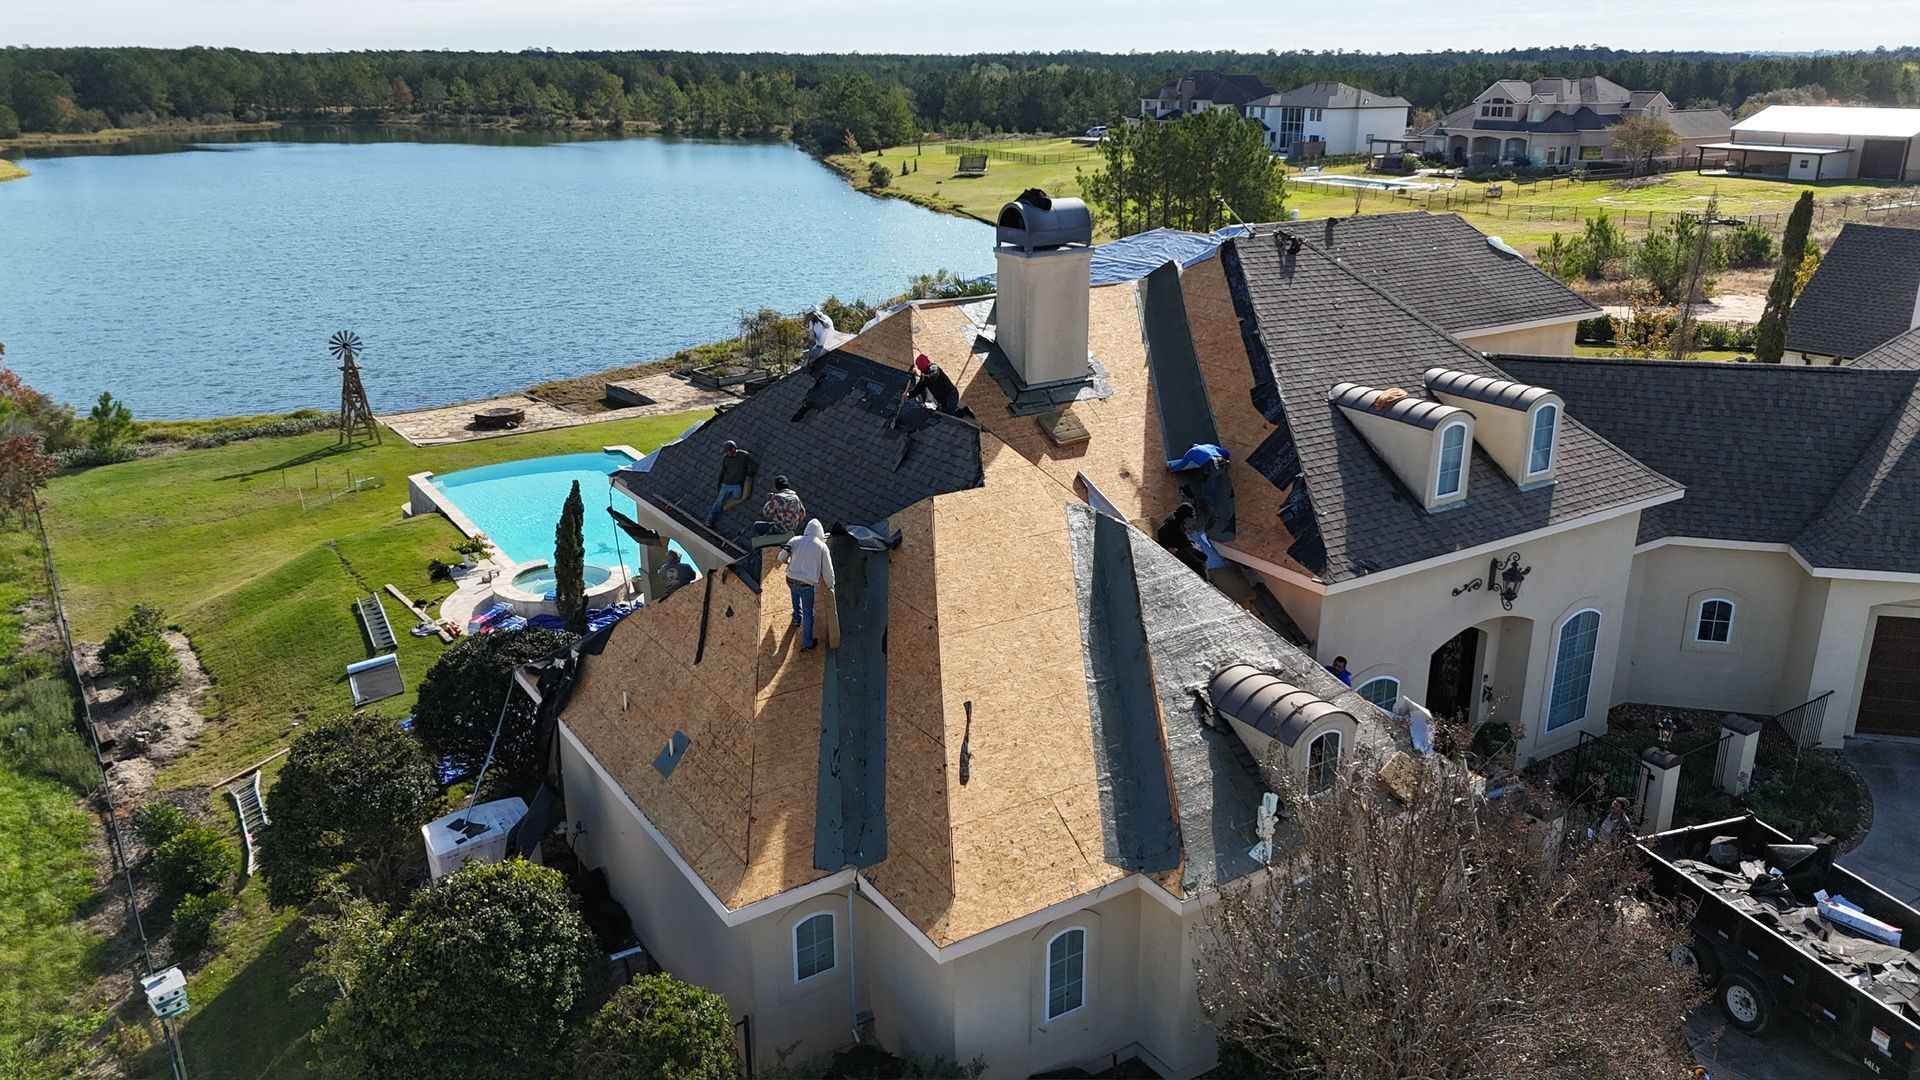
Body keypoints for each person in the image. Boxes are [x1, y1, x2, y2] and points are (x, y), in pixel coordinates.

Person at [777, 519, 835, 651]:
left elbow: (781, 558)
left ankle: (796, 618)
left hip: (790, 579)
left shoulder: (795, 540)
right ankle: (807, 644)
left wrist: (790, 563)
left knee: (795, 594)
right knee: (808, 613)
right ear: (820, 533)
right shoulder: (821, 547)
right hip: (806, 584)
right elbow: (828, 570)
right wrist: (830, 585)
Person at [705, 440, 758, 527]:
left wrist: (749, 475)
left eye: (728, 451)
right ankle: (709, 520)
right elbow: (722, 471)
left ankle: (726, 505)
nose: (727, 453)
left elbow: (754, 465)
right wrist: (719, 483)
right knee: (718, 502)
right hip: (726, 484)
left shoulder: (743, 455)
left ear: (733, 449)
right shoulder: (726, 459)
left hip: (737, 484)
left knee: (738, 497)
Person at [1155, 503, 1209, 578]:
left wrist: (1190, 543)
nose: (1187, 519)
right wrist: (1167, 547)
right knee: (1198, 564)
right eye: (1187, 517)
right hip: (1178, 549)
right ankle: (1204, 580)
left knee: (1203, 556)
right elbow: (1161, 531)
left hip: (1184, 545)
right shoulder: (1172, 520)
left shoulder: (1180, 520)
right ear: (1184, 514)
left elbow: (1180, 534)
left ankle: (1197, 572)